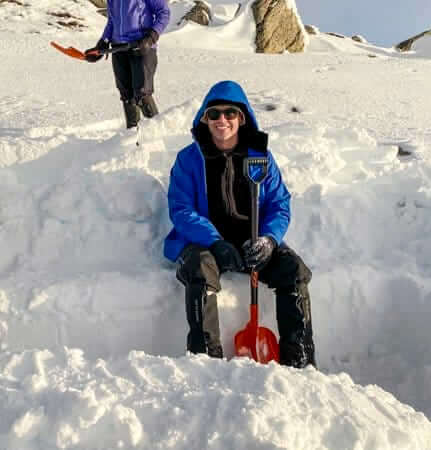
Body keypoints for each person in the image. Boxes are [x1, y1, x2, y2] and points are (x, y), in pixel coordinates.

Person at [163, 81, 315, 368]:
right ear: (204, 118)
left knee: (294, 271)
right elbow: (181, 210)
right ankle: (206, 362)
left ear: (242, 117)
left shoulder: (261, 158)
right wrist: (215, 242)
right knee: (199, 271)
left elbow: (279, 205)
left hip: (251, 243)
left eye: (230, 113)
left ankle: (301, 361)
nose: (222, 120)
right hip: (205, 245)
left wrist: (268, 240)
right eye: (214, 114)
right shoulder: (189, 159)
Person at [84, 0, 170, 129]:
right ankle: (132, 139)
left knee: (142, 94)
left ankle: (158, 136)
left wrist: (151, 38)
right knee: (126, 96)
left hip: (141, 46)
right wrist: (103, 42)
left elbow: (164, 13)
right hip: (118, 48)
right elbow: (112, 21)